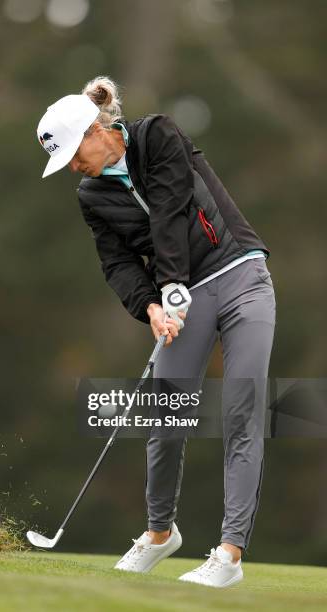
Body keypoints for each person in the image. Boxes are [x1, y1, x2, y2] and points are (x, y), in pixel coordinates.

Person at [36, 76, 276, 588]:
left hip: (240, 276)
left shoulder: (158, 135)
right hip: (179, 300)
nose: (74, 169)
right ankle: (160, 534)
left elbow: (171, 206)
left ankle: (229, 555)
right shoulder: (91, 195)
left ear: (95, 131)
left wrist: (170, 282)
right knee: (164, 418)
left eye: (74, 156)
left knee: (242, 410)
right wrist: (151, 306)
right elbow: (118, 262)